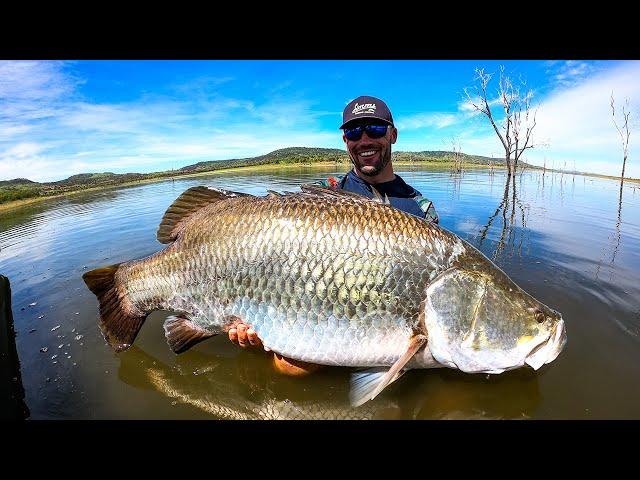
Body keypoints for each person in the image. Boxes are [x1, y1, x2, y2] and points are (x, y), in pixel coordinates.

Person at [228, 95, 439, 376]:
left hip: (389, 315)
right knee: (291, 369)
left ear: (393, 134)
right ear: (345, 140)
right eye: (353, 131)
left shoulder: (421, 210)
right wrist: (258, 322)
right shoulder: (323, 194)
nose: (364, 139)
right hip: (324, 306)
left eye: (374, 129)